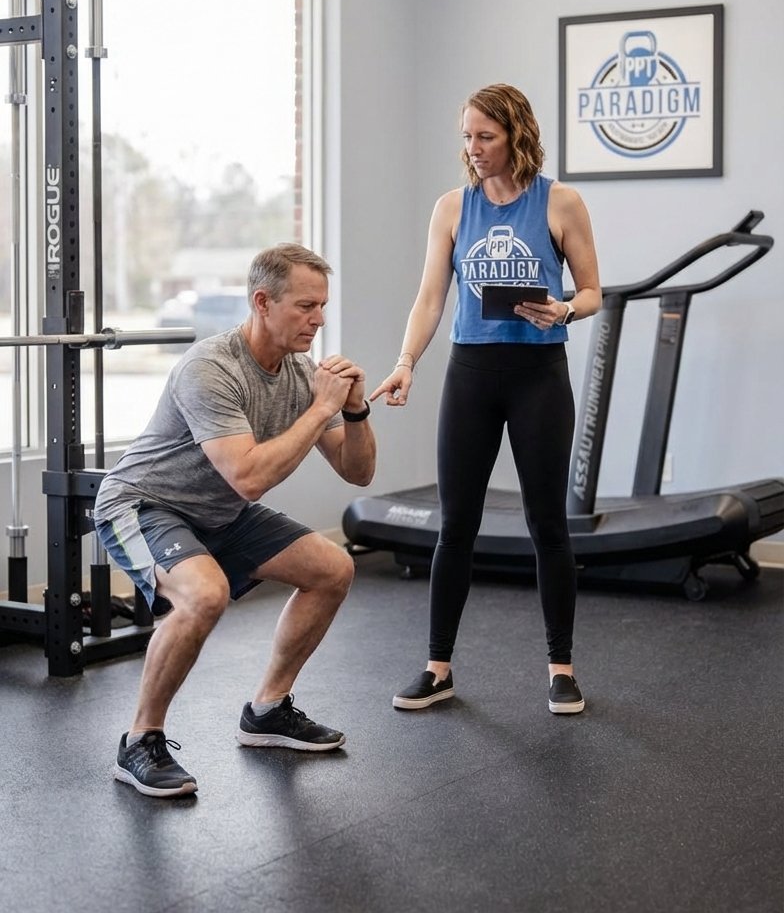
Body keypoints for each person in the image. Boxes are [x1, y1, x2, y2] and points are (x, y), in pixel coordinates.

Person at [94, 243, 376, 798]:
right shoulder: (210, 368)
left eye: (322, 306)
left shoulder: (301, 373)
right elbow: (247, 477)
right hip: (142, 504)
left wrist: (354, 410)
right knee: (204, 595)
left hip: (220, 512)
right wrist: (322, 407)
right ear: (262, 302)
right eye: (305, 306)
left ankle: (268, 710)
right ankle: (139, 741)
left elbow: (357, 471)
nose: (319, 319)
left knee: (332, 568)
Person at [370, 83, 601, 715]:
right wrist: (406, 363)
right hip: (470, 374)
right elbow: (430, 299)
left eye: (485, 137)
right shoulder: (452, 208)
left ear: (516, 136)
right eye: (467, 137)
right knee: (456, 526)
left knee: (547, 524)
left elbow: (592, 292)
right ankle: (437, 668)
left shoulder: (560, 202)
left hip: (538, 375)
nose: (473, 148)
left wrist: (563, 310)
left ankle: (561, 670)